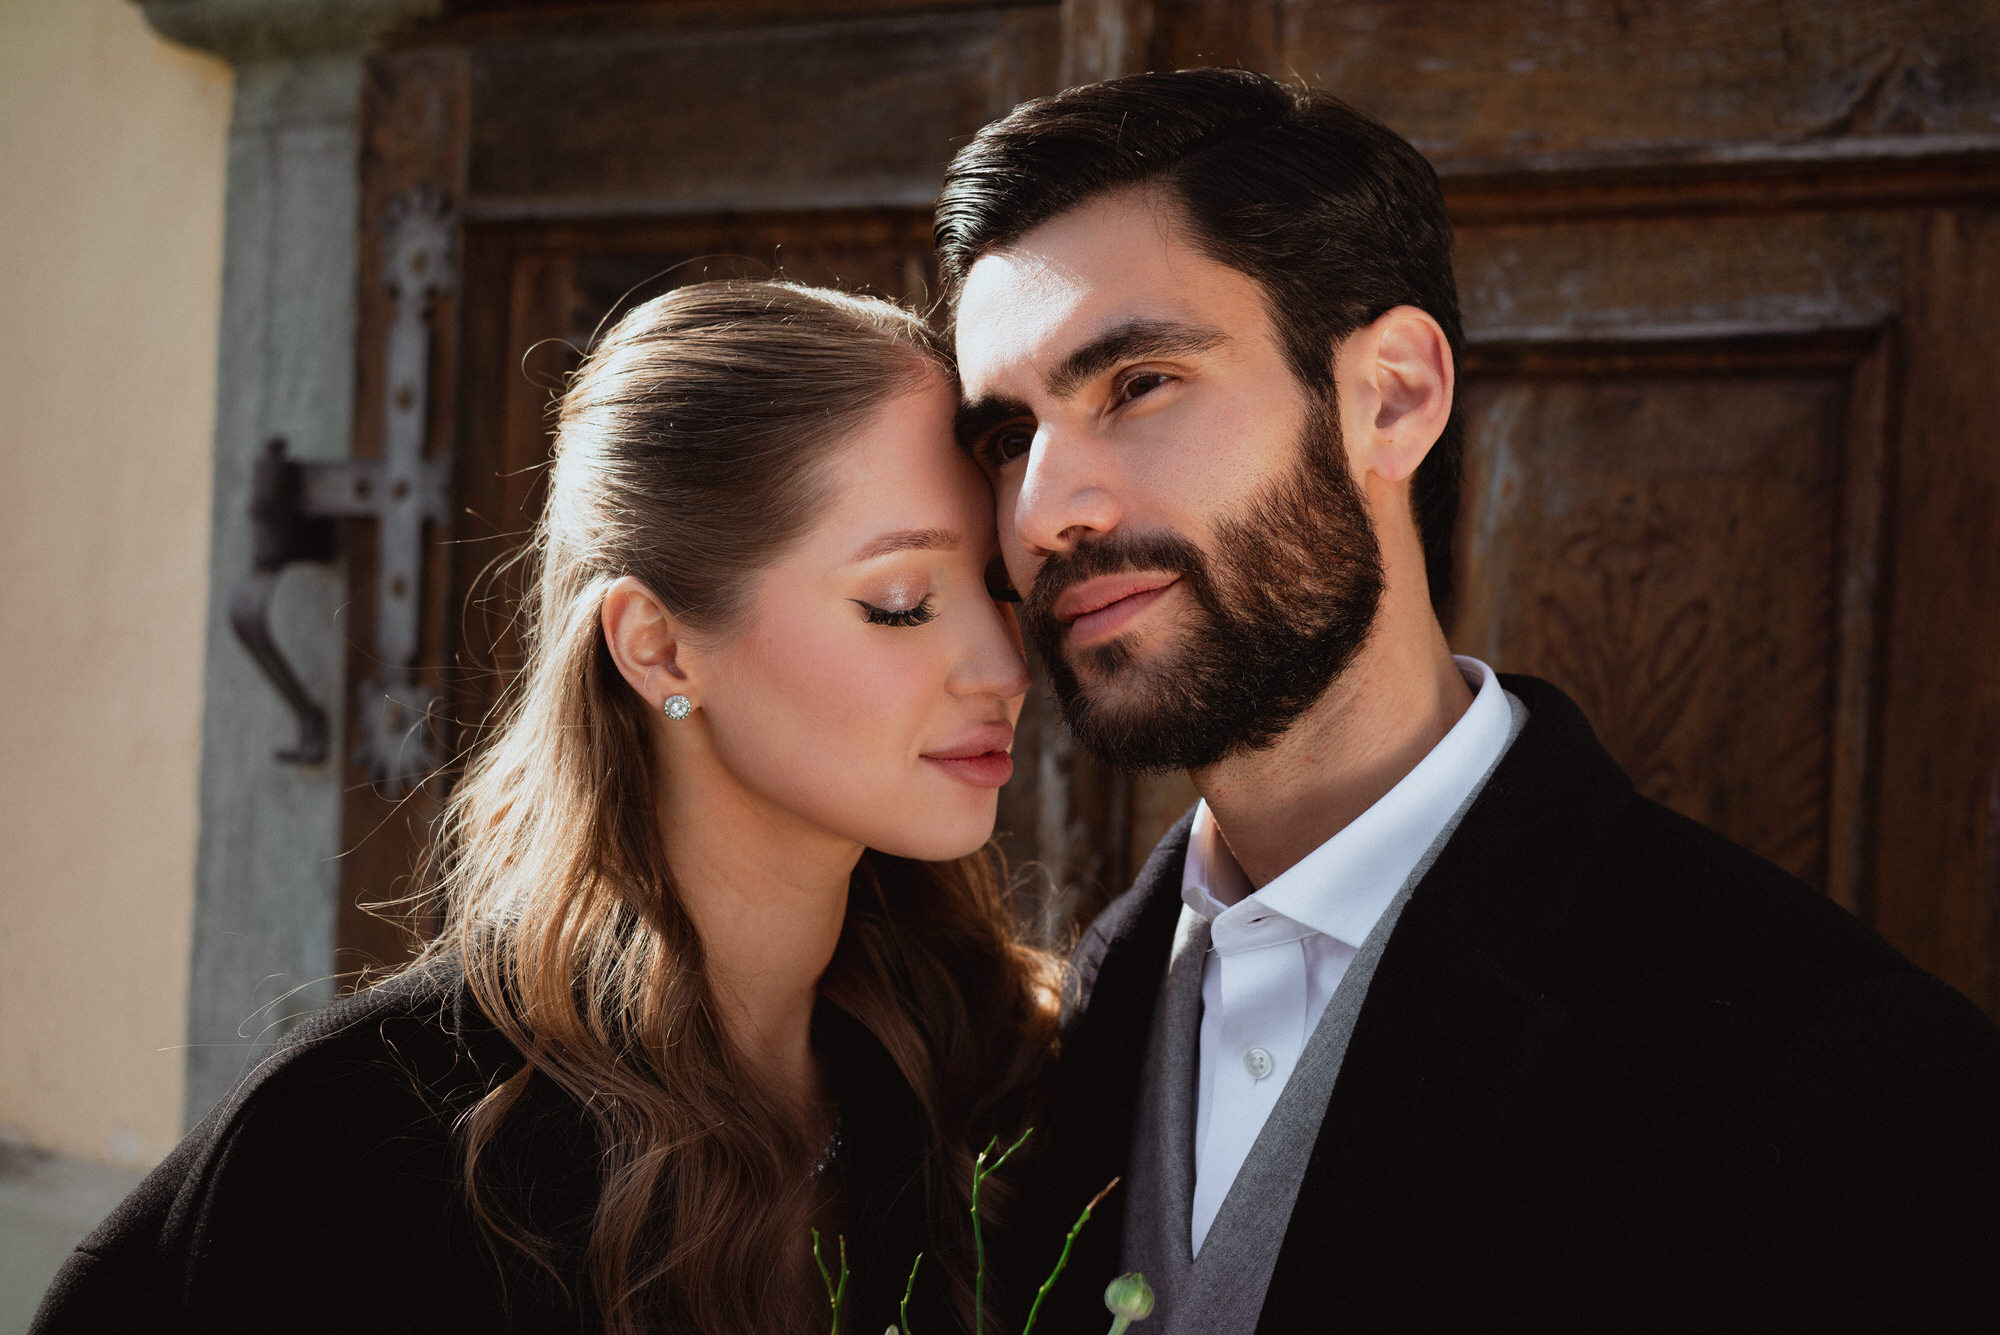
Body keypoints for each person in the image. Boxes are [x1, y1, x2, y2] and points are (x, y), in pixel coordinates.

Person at [936, 68, 2000, 1332]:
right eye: (1008, 439)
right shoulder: (1031, 1049)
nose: (1044, 516)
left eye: (1137, 384)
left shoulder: (1835, 1072)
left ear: (1391, 395)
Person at [32, 281, 1057, 1335]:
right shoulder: (368, 1145)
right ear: (656, 645)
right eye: (902, 603)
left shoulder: (996, 1074)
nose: (1003, 666)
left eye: (999, 585)